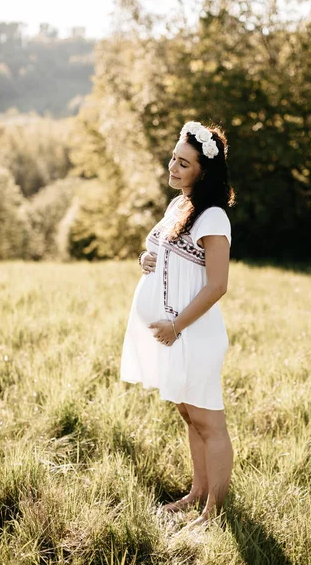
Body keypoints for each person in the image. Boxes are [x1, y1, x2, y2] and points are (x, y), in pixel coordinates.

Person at [120, 120, 236, 529]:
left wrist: (176, 326)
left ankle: (213, 514)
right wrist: (144, 259)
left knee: (209, 421)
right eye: (173, 158)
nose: (172, 167)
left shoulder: (213, 217)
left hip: (195, 333)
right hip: (175, 335)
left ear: (204, 172)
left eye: (183, 163)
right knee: (190, 416)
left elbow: (218, 284)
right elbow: (156, 250)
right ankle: (196, 493)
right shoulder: (178, 206)